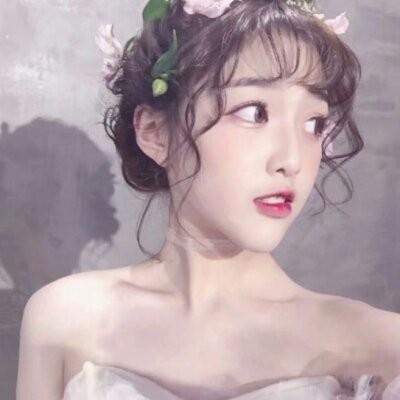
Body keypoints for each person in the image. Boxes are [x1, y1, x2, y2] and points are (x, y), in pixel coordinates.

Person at [16, 0, 400, 399]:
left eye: (314, 123)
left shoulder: (382, 346)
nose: (292, 160)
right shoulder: (62, 321)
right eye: (254, 113)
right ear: (155, 133)